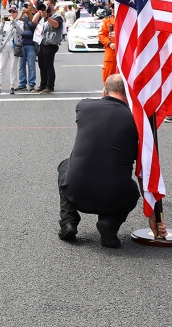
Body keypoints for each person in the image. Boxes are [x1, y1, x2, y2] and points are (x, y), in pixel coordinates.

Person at [57, 74, 140, 248]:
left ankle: (68, 221)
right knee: (133, 190)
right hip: (113, 198)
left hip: (77, 192)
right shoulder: (136, 119)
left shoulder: (84, 106)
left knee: (65, 165)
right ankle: (110, 221)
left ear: (104, 91)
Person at [32, 0, 63, 94]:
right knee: (41, 65)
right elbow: (34, 21)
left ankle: (50, 86)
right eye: (45, 4)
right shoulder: (43, 16)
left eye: (48, 4)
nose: (46, 6)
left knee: (48, 65)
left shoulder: (57, 16)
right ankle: (42, 85)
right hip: (42, 42)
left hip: (51, 43)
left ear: (53, 5)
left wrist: (47, 17)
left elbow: (56, 25)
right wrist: (40, 11)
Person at [0, 6, 19, 95]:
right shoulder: (6, 23)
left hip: (14, 46)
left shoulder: (19, 22)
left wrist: (13, 22)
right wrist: (2, 23)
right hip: (4, 45)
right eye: (10, 12)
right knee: (2, 66)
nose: (11, 13)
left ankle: (12, 86)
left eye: (13, 12)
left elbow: (21, 31)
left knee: (13, 67)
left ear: (16, 13)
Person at [16, 5, 37, 91]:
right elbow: (16, 25)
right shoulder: (21, 17)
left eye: (29, 6)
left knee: (31, 65)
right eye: (25, 6)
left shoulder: (35, 16)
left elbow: (35, 23)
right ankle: (22, 83)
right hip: (21, 44)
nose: (27, 7)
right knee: (21, 65)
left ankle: (31, 84)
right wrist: (22, 14)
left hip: (31, 44)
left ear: (32, 8)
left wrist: (29, 13)